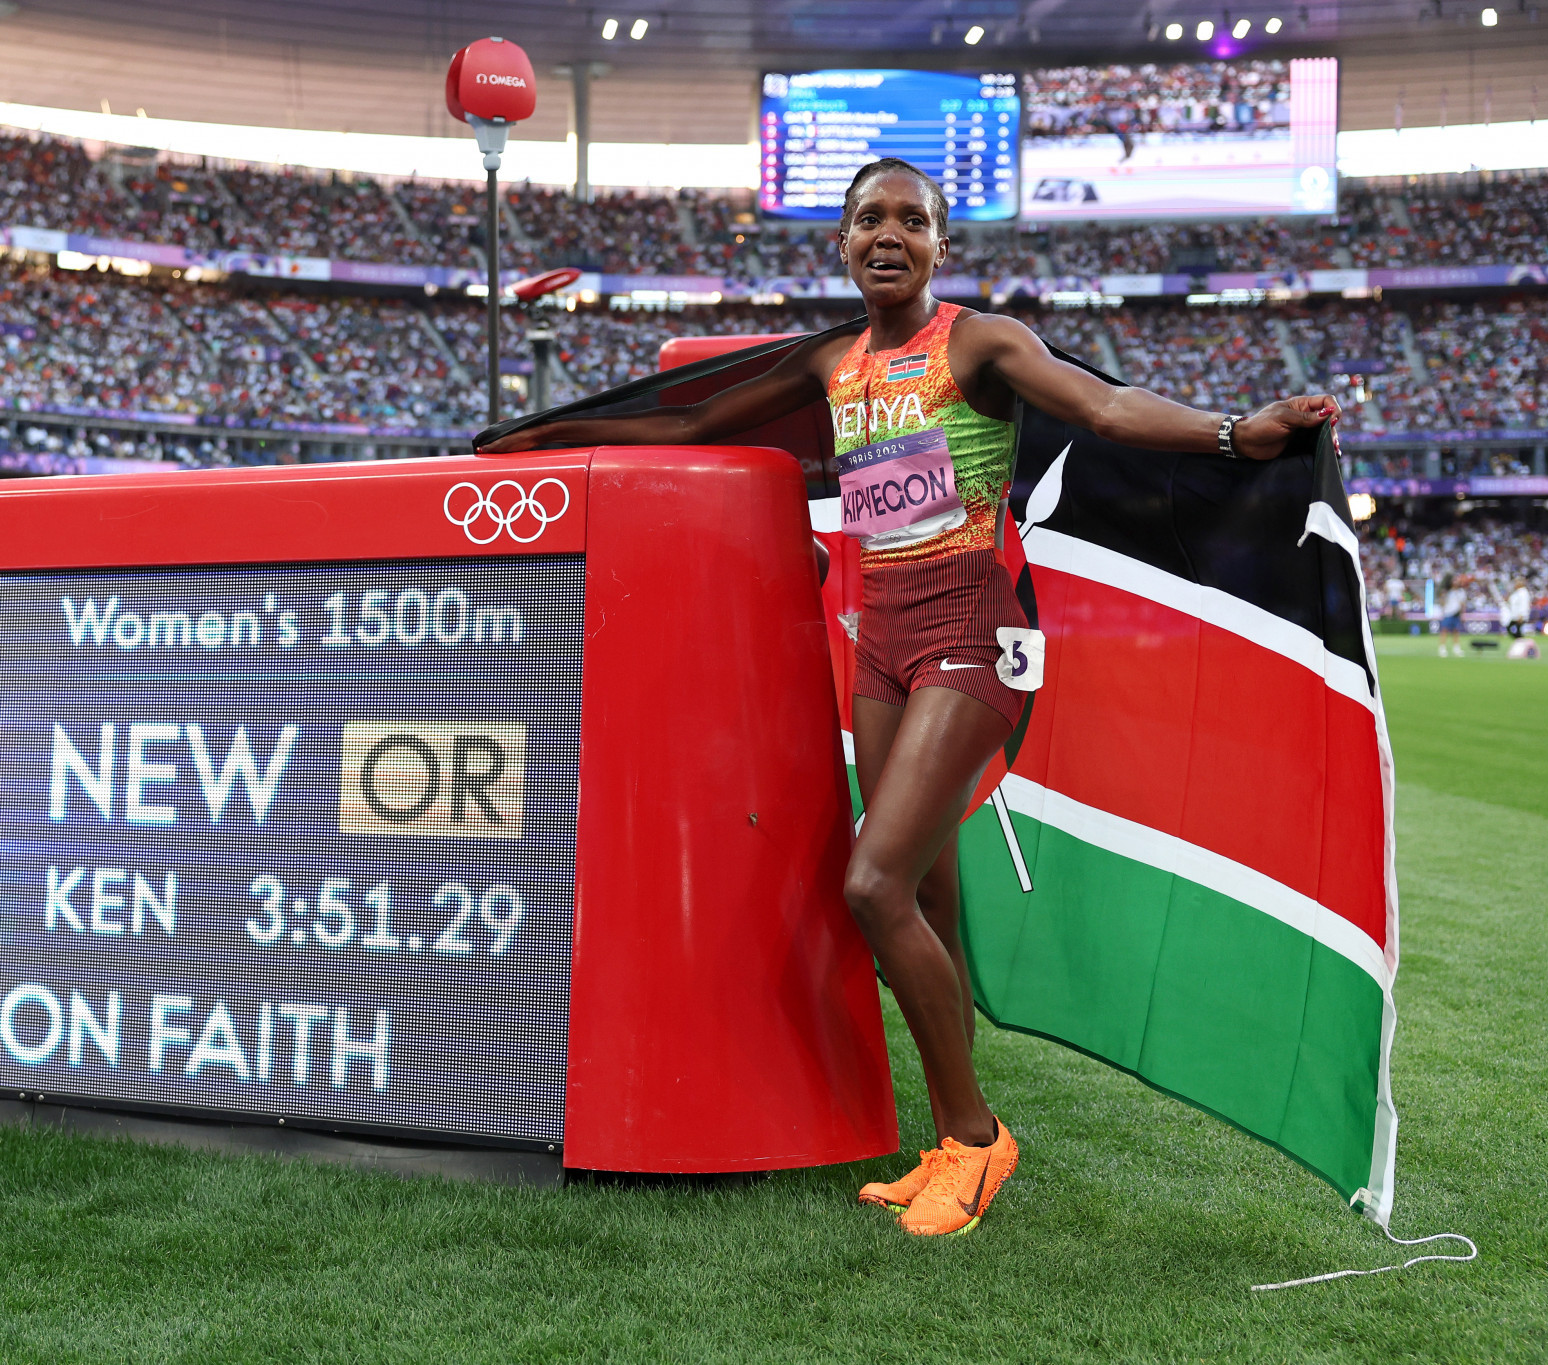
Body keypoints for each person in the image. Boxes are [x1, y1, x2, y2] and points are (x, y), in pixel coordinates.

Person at [480, 156, 1337, 1236]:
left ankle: (977, 1142)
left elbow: (1104, 407)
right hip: (878, 646)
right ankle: (948, 1141)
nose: (889, 235)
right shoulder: (831, 360)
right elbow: (696, 427)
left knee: (870, 886)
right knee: (924, 900)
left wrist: (1234, 431)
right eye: (869, 220)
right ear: (839, 242)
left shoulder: (977, 342)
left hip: (971, 636)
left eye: (912, 221)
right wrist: (546, 439)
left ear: (940, 245)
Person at [1439, 575, 1467, 656]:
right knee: (1444, 630)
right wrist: (1443, 596)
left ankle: (1456, 648)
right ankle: (1442, 648)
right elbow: (1442, 602)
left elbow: (1463, 604)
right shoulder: (1447, 592)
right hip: (1448, 613)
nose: (1456, 582)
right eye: (1454, 580)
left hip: (1456, 613)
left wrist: (1463, 614)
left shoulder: (1461, 592)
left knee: (1456, 631)